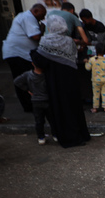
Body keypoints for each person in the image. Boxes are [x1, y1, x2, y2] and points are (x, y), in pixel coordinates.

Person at [35, 15, 90, 148]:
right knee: (73, 107)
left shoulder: (45, 41)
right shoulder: (69, 41)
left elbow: (40, 61)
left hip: (55, 82)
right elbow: (73, 58)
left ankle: (68, 138)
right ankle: (81, 135)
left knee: (60, 108)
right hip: (71, 80)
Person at [2, 3, 46, 112]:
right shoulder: (28, 17)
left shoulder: (26, 17)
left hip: (20, 53)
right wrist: (42, 29)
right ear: (35, 11)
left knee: (26, 78)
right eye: (42, 14)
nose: (43, 17)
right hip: (18, 54)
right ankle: (29, 106)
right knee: (24, 79)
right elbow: (35, 36)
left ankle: (30, 104)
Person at [13, 50, 55, 145]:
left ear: (32, 63)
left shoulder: (28, 75)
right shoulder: (47, 75)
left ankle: (41, 137)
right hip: (47, 100)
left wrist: (27, 89)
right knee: (52, 119)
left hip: (36, 101)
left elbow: (16, 81)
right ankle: (55, 134)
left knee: (39, 121)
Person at [84, 42, 105, 113]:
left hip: (95, 81)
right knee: (104, 94)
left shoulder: (92, 60)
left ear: (96, 50)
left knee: (96, 94)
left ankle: (95, 108)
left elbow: (88, 68)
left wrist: (86, 62)